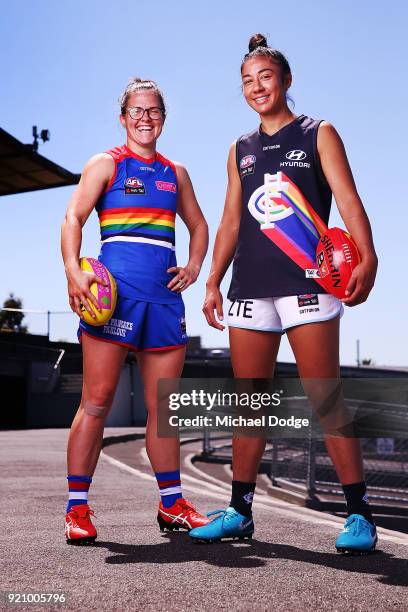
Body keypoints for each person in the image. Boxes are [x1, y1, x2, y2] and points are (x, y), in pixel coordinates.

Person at [190, 34, 378, 553]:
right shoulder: (238, 150)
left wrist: (369, 255)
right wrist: (211, 279)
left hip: (308, 283)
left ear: (286, 80)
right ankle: (239, 510)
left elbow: (348, 199)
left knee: (325, 395)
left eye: (265, 77)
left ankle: (359, 514)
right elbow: (230, 221)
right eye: (247, 81)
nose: (256, 87)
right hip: (250, 287)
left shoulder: (319, 133)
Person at [61, 77, 209, 544]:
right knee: (98, 401)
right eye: (137, 111)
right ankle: (77, 508)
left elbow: (200, 224)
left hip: (164, 300)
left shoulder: (175, 172)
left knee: (163, 409)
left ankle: (172, 505)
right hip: (113, 297)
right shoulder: (105, 163)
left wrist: (194, 265)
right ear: (123, 117)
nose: (145, 119)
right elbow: (72, 218)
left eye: (154, 111)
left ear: (164, 117)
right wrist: (73, 270)